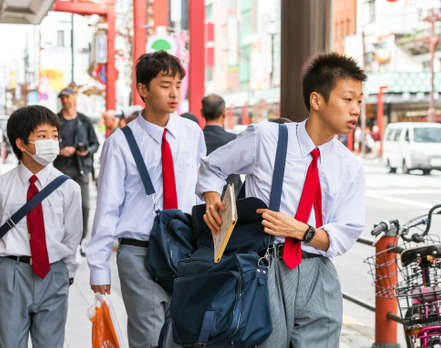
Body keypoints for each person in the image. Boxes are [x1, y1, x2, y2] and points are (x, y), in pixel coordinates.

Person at [197, 52, 366, 347]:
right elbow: (212, 166)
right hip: (266, 267)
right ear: (316, 100)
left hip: (318, 274)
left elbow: (346, 231)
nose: (356, 110)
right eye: (348, 99)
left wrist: (303, 231)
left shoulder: (349, 165)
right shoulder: (267, 138)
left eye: (360, 101)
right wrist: (212, 198)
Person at [86, 51, 206, 348]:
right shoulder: (120, 143)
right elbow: (107, 208)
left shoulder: (191, 133)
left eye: (178, 84)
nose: (175, 92)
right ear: (142, 89)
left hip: (186, 248)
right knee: (150, 338)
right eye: (165, 85)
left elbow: (205, 185)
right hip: (139, 253)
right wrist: (98, 267)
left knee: (185, 335)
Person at [0, 105, 82, 348]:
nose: (51, 142)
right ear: (22, 144)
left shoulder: (69, 188)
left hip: (53, 272)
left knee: (51, 343)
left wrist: (66, 274)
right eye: (42, 136)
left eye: (55, 136)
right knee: (9, 342)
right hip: (11, 273)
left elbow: (72, 236)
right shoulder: (3, 187)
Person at [53, 87, 99, 255]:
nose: (65, 101)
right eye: (62, 98)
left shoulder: (84, 121)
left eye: (68, 97)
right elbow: (47, 141)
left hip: (81, 169)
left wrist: (86, 151)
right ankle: (61, 240)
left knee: (84, 206)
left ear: (74, 98)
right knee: (60, 207)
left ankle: (81, 240)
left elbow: (95, 144)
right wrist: (59, 150)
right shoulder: (55, 120)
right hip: (59, 169)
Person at [201, 93, 242, 196]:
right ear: (224, 113)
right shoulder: (235, 140)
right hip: (231, 200)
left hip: (201, 199)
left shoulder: (196, 138)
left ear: (202, 113)